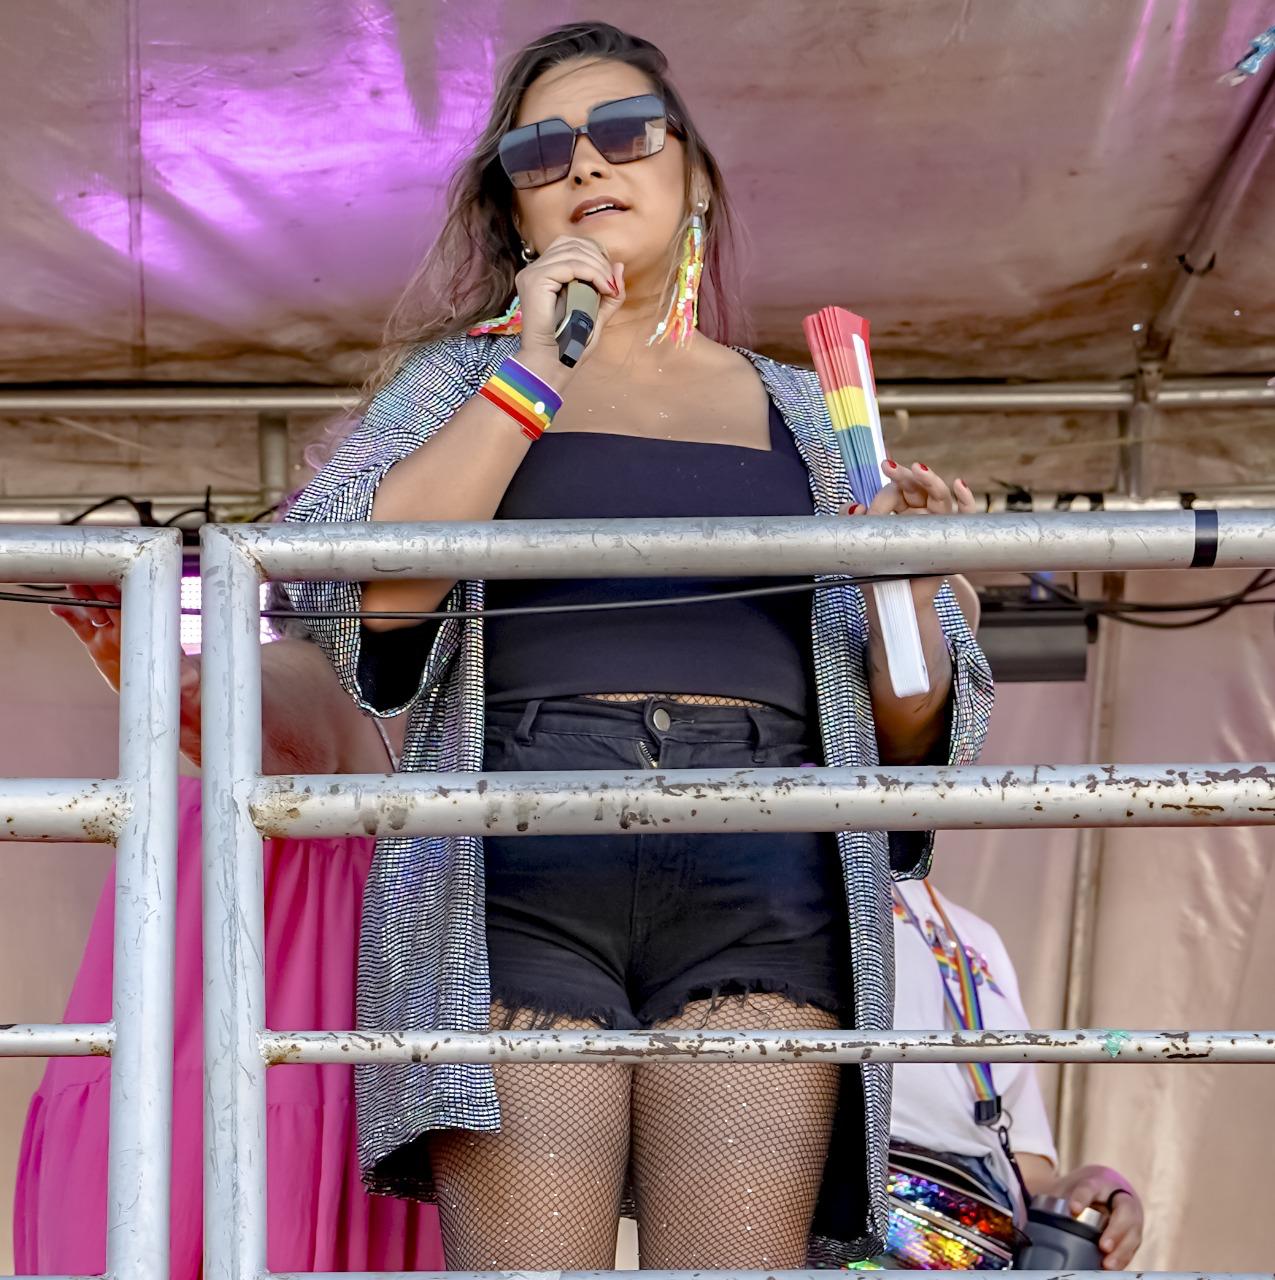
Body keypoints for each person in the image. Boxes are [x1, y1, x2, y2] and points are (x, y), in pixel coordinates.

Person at [283, 21, 994, 1269]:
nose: (585, 162)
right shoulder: (457, 381)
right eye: (540, 149)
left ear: (694, 175)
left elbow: (909, 736)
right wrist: (529, 373)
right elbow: (352, 584)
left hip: (761, 859)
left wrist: (912, 591)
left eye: (625, 131)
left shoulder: (807, 413)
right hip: (517, 857)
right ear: (515, 209)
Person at [13, 584, 444, 1275]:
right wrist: (186, 694)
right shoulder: (329, 672)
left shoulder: (445, 710)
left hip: (259, 1072)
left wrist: (184, 692)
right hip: (255, 1074)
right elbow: (273, 725)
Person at [886, 880, 1144, 1270]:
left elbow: (1026, 1171)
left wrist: (1096, 1188)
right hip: (852, 1233)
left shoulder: (977, 936)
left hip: (990, 1251)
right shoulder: (806, 878)